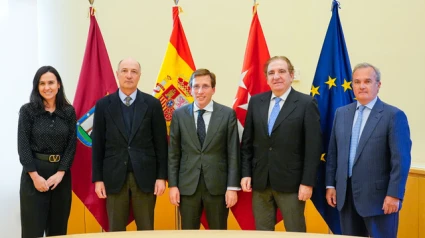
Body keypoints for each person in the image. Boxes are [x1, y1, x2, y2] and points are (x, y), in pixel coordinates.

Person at [325, 63, 411, 238]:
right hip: (345, 198)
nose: (362, 86)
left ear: (378, 85)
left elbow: (400, 160)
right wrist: (331, 185)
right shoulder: (341, 114)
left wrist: (394, 195)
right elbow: (333, 154)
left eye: (367, 81)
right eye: (357, 82)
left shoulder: (393, 115)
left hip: (379, 200)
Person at [240, 56, 322, 231]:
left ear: (291, 75)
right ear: (267, 78)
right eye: (271, 73)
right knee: (262, 233)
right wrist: (246, 173)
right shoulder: (256, 102)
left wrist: (307, 183)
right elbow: (247, 142)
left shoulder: (306, 103)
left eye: (281, 71)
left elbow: (313, 148)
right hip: (261, 182)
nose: (276, 76)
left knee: (295, 232)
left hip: (292, 184)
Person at [91, 58, 168, 231]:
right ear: (117, 74)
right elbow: (98, 145)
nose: (129, 75)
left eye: (134, 72)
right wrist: (98, 179)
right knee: (116, 230)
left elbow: (161, 144)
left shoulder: (152, 104)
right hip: (114, 176)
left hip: (146, 177)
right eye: (124, 71)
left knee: (146, 229)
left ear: (140, 76)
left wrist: (161, 177)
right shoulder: (103, 105)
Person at [168, 68, 240, 229]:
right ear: (191, 89)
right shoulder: (179, 115)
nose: (200, 91)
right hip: (187, 187)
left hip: (218, 187)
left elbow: (233, 152)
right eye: (196, 86)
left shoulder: (227, 114)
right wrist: (173, 185)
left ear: (213, 89)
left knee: (218, 232)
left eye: (205, 86)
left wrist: (232, 187)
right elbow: (173, 153)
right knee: (188, 232)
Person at [18, 66, 76, 237]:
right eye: (41, 83)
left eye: (51, 82)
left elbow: (71, 145)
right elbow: (23, 146)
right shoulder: (28, 111)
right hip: (34, 175)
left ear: (58, 85)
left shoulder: (68, 111)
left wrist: (60, 173)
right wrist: (35, 177)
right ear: (37, 87)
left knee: (58, 231)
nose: (47, 87)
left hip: (60, 177)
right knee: (32, 231)